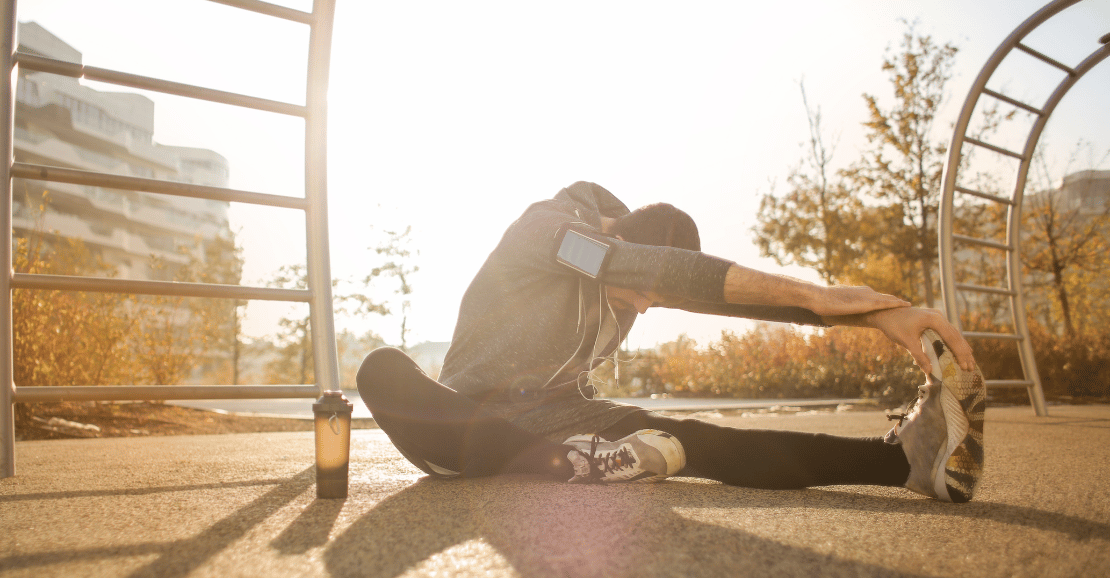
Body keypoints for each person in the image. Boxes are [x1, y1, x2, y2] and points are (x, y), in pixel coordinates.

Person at [356, 181, 985, 502]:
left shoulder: (634, 264)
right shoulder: (551, 232)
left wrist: (874, 317)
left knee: (697, 438)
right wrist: (821, 296)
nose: (647, 306)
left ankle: (904, 464)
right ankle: (570, 461)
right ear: (619, 242)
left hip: (565, 420)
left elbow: (715, 291)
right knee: (381, 369)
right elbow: (636, 269)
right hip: (459, 424)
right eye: (645, 290)